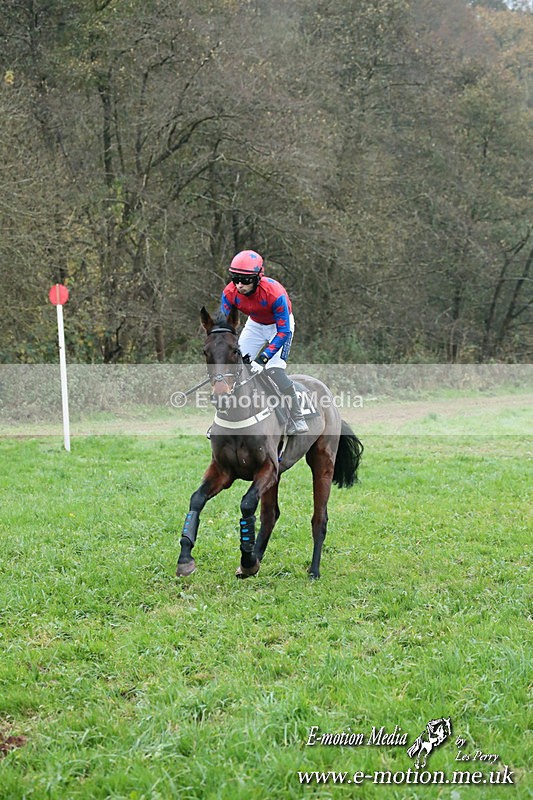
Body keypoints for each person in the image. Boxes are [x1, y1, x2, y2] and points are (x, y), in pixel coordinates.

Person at [220, 249, 309, 434]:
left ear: (258, 277)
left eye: (245, 280)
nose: (239, 285)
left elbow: (284, 331)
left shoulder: (274, 294)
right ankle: (225, 419)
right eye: (235, 278)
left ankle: (297, 415)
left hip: (280, 327)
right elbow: (225, 326)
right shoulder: (229, 293)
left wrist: (263, 359)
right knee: (236, 366)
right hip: (255, 324)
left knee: (273, 370)